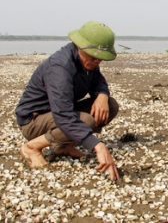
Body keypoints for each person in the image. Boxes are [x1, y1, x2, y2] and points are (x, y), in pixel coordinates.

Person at [15, 21, 121, 181]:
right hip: (34, 120)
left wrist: (102, 96)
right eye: (93, 56)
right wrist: (98, 146)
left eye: (100, 59)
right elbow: (63, 115)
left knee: (110, 105)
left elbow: (98, 81)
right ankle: (32, 147)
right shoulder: (60, 68)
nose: (97, 61)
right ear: (80, 46)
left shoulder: (88, 62)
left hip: (57, 111)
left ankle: (63, 147)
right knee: (86, 121)